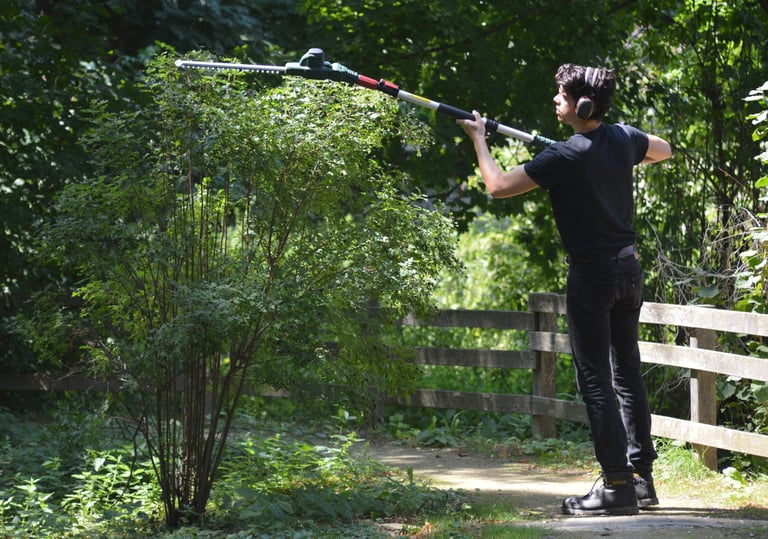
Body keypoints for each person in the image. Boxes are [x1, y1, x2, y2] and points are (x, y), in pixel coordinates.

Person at [458, 63, 672, 516]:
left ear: (583, 104)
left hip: (592, 278)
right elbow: (664, 150)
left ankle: (616, 485)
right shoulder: (621, 138)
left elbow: (496, 186)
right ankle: (641, 480)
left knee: (595, 379)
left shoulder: (565, 156)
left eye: (561, 95)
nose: (555, 100)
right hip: (628, 273)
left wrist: (479, 139)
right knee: (626, 373)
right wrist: (611, 155)